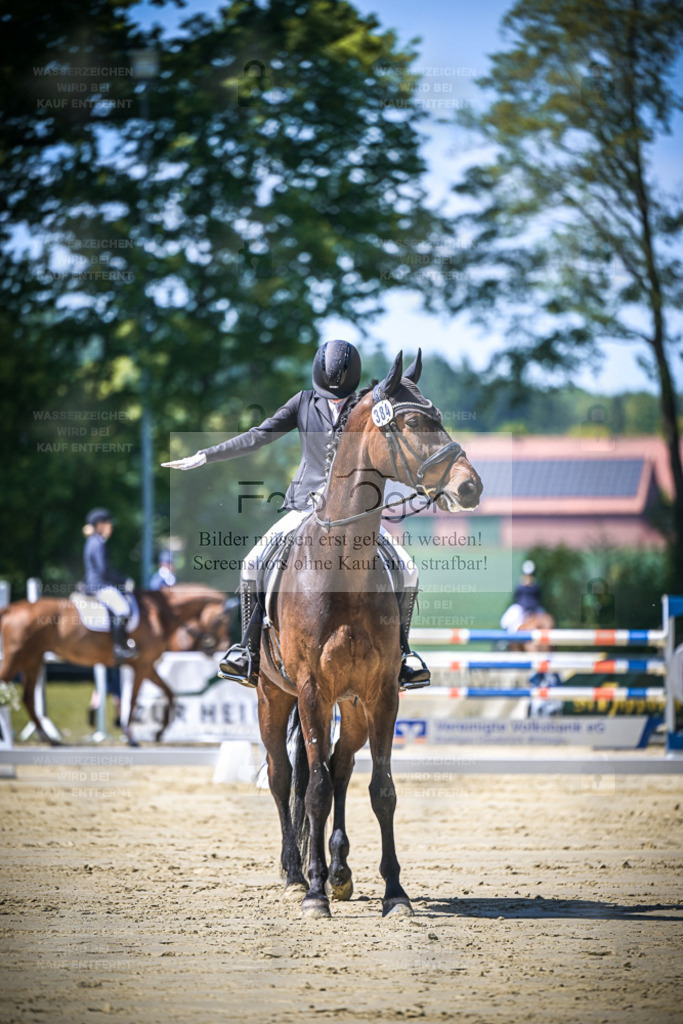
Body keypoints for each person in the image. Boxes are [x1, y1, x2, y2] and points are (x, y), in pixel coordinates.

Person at [162, 339, 430, 690]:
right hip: (305, 505)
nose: (336, 400)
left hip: (354, 514)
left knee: (407, 569)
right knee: (252, 563)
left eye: (341, 394)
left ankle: (403, 654)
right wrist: (207, 455)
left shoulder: (364, 406)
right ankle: (247, 652)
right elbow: (259, 436)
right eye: (330, 393)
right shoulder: (303, 402)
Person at [82, 508, 137, 662]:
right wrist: (123, 580)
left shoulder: (92, 541)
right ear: (100, 525)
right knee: (123, 609)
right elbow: (103, 571)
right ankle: (119, 647)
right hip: (100, 586)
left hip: (94, 584)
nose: (111, 527)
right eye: (109, 524)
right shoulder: (98, 543)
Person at [500, 559, 545, 633]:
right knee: (505, 622)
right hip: (523, 608)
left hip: (531, 609)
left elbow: (517, 596)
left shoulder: (534, 586)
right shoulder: (523, 586)